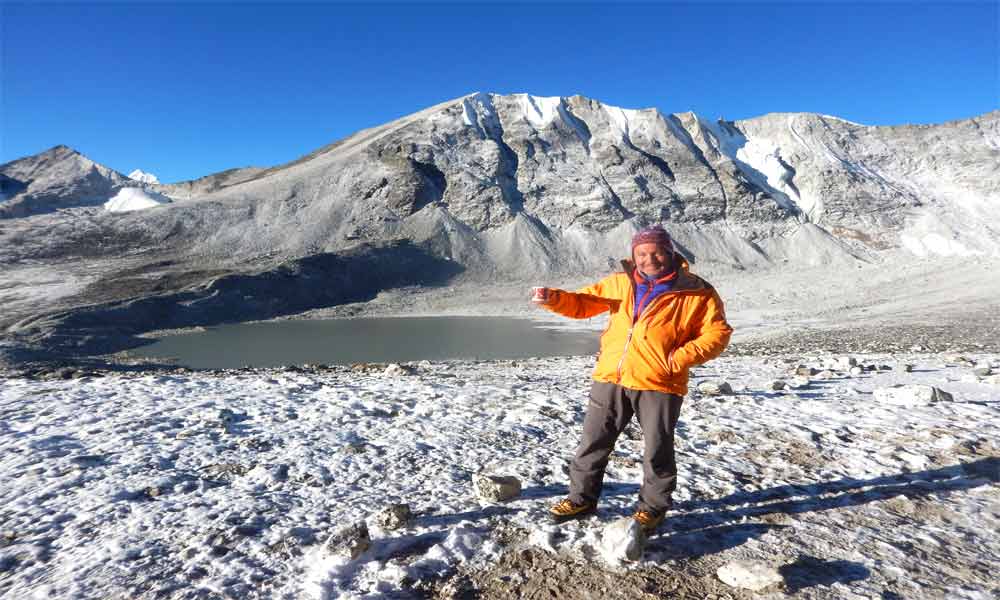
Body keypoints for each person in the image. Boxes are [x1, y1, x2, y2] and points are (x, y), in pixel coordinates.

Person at [532, 224, 732, 533]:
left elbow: (717, 333)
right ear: (633, 255)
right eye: (641, 253)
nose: (649, 259)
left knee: (657, 448)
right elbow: (583, 303)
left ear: (670, 252)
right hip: (611, 377)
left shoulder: (697, 290)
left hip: (659, 381)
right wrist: (553, 298)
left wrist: (677, 358)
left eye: (656, 252)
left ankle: (652, 507)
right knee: (593, 441)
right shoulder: (620, 284)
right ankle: (581, 498)